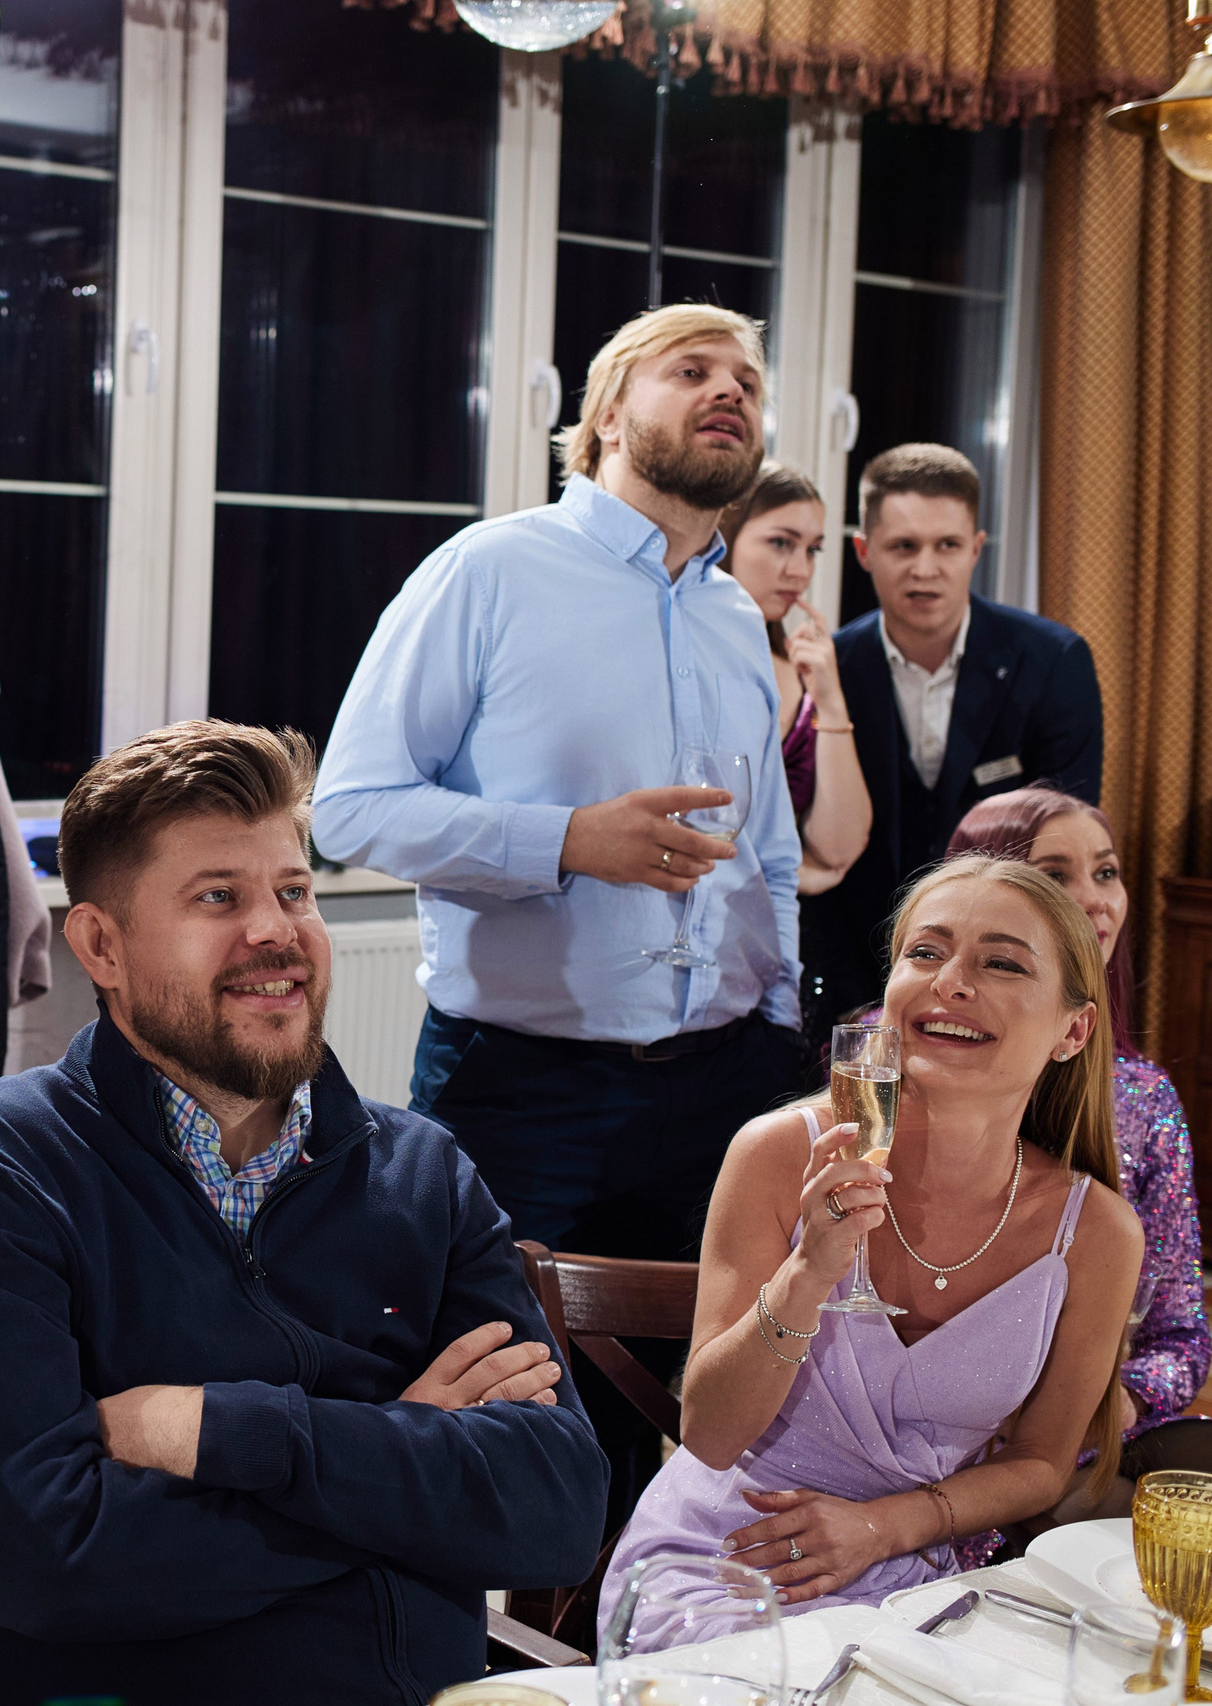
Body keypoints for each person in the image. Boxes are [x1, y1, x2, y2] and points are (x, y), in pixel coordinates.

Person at [0, 720, 607, 1706]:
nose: (277, 930)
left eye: (293, 891)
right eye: (217, 896)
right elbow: (47, 1563)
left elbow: (557, 1504)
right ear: (100, 943)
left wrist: (217, 1429)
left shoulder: (422, 1170)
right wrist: (398, 1452)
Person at [311, 302, 807, 1521]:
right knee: (490, 1411)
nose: (727, 389)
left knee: (690, 1420)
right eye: (690, 369)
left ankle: (631, 1642)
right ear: (602, 416)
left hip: (722, 1088)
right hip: (521, 1086)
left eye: (745, 376)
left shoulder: (736, 613)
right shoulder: (490, 570)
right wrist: (569, 842)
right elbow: (352, 809)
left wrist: (785, 1026)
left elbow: (769, 855)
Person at [604, 854, 1142, 1647]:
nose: (949, 983)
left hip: (920, 1577)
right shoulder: (778, 1154)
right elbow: (710, 1435)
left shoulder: (1096, 1233)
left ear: (1073, 1031)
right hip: (728, 1560)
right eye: (925, 953)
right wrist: (808, 1271)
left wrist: (887, 1528)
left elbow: (1042, 1462)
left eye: (999, 963)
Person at [942, 788, 1212, 1512]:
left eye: (1106, 873)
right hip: (956, 1436)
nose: (1093, 901)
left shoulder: (1143, 1096)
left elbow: (1181, 1336)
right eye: (1056, 874)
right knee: (1137, 1542)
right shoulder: (905, 1052)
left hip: (1102, 1425)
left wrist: (1124, 1400)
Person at [804, 443, 1104, 1027]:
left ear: (976, 549)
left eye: (946, 546)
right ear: (864, 551)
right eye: (903, 547)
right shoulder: (833, 665)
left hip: (1004, 976)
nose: (925, 568)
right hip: (857, 981)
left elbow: (1067, 837)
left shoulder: (1052, 661)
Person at [717, 462, 870, 897]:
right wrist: (782, 873)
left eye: (812, 549)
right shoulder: (683, 659)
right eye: (781, 543)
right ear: (725, 537)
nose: (800, 571)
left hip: (772, 933)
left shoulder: (803, 673)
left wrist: (831, 701)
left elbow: (839, 849)